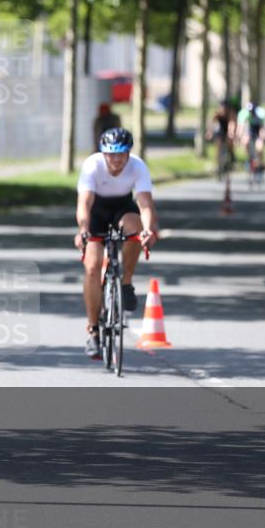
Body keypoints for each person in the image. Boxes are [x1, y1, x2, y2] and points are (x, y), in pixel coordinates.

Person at [74, 128, 159, 359]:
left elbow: (145, 205)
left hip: (123, 208)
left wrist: (148, 229)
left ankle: (126, 282)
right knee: (92, 267)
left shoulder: (138, 167)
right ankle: (93, 330)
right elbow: (85, 203)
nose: (116, 160)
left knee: (136, 230)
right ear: (103, 154)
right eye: (111, 154)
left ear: (129, 153)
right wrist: (83, 229)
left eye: (121, 154)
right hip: (97, 211)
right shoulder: (92, 166)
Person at [206, 99, 235, 175]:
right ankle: (218, 164)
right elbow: (211, 123)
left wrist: (231, 134)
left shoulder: (230, 113)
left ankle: (231, 154)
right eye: (221, 108)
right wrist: (209, 132)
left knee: (230, 141)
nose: (223, 110)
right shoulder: (217, 113)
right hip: (221, 130)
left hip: (228, 129)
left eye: (224, 109)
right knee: (218, 145)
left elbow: (231, 124)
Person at [237, 101, 265, 170]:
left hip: (257, 132)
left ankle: (260, 162)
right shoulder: (244, 115)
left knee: (259, 147)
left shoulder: (260, 115)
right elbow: (241, 128)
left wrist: (262, 138)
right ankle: (249, 158)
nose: (250, 112)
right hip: (250, 132)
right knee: (245, 142)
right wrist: (239, 137)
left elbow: (262, 129)